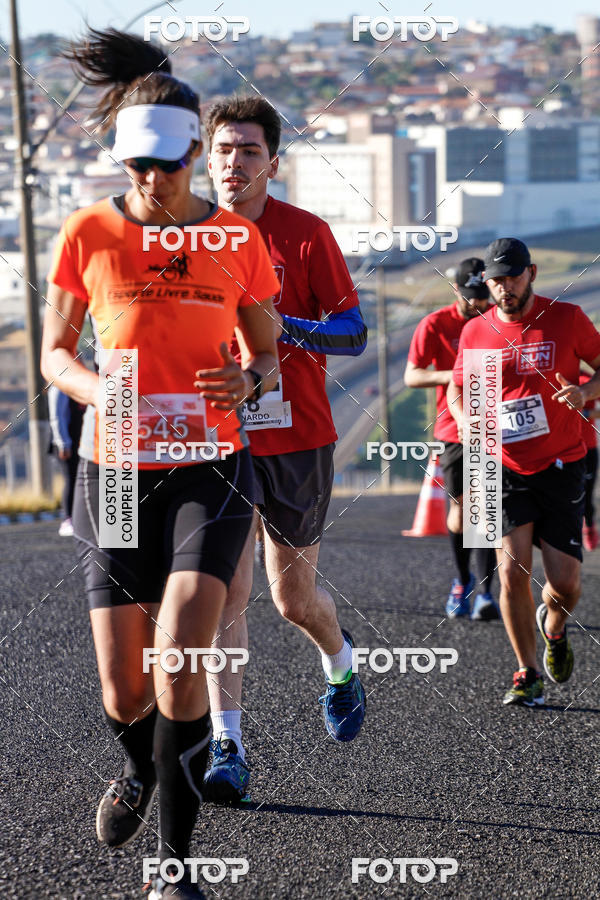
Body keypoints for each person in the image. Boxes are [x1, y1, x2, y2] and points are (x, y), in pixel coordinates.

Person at [40, 29, 280, 899]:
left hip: (208, 469)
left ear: (191, 157)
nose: (152, 181)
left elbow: (267, 352)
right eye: (137, 165)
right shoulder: (89, 232)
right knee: (123, 687)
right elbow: (54, 353)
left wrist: (247, 378)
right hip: (112, 472)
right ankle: (139, 767)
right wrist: (97, 390)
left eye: (167, 166)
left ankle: (175, 868)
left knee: (181, 656)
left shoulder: (237, 241)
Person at [201, 97, 368, 804]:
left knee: (292, 599)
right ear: (205, 159)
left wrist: (280, 327)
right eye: (223, 150)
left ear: (273, 161)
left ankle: (341, 661)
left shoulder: (305, 235)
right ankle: (227, 745)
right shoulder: (186, 235)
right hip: (217, 438)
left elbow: (354, 333)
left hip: (297, 437)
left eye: (248, 151)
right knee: (225, 593)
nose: (233, 163)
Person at [449, 238, 600, 707]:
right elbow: (458, 388)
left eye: (512, 277)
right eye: (496, 280)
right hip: (498, 464)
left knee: (566, 584)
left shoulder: (566, 318)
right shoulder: (476, 331)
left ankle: (553, 625)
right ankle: (527, 672)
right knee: (512, 573)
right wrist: (464, 418)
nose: (505, 288)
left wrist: (586, 392)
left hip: (561, 463)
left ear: (531, 273)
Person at [404, 259, 499, 620]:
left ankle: (486, 594)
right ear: (456, 289)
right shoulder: (435, 324)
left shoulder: (497, 320)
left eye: (483, 296)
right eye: (471, 296)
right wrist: (456, 375)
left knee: (486, 510)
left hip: (493, 427)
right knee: (461, 513)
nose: (478, 303)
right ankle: (463, 580)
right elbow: (412, 376)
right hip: (452, 430)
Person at [48, 384, 84, 536]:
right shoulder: (59, 387)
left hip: (79, 441)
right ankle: (67, 519)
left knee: (80, 479)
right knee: (71, 479)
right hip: (66, 443)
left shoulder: (77, 384)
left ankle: (78, 518)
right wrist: (63, 443)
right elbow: (57, 417)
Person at [579, 369, 600, 550]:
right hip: (558, 449)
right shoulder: (548, 376)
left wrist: (585, 413)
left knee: (586, 493)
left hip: (587, 448)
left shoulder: (587, 379)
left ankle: (589, 527)